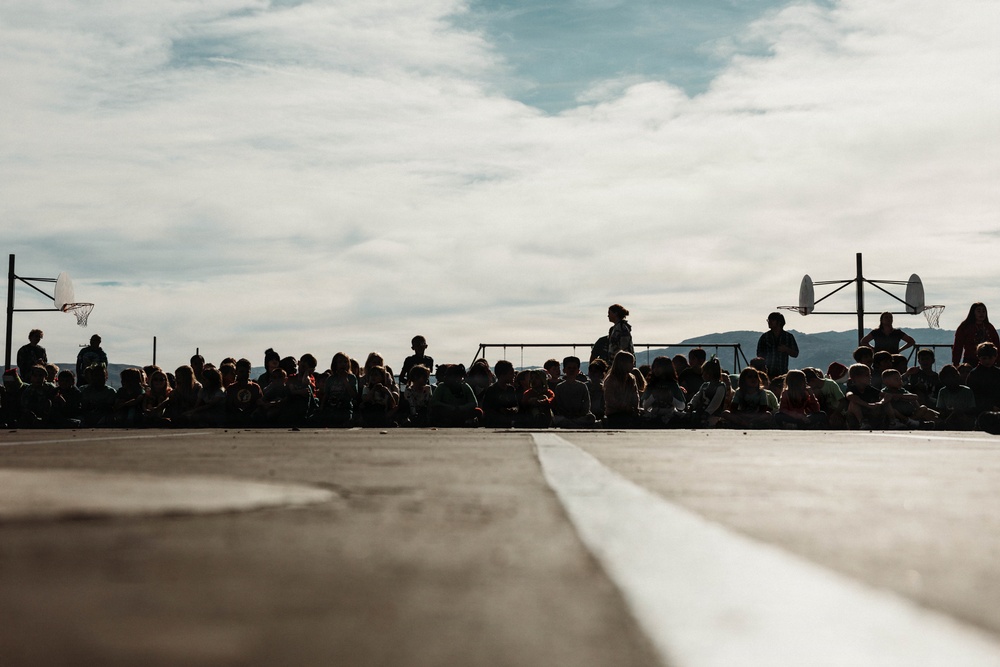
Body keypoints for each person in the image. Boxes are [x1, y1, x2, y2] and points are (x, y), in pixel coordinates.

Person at [640, 356, 687, 427]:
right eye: (654, 367)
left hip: (670, 416)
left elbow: (682, 406)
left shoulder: (673, 385)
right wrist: (654, 396)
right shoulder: (651, 384)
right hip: (654, 415)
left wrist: (671, 398)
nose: (656, 370)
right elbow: (644, 406)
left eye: (658, 367)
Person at [552, 356, 597, 428]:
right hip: (565, 416)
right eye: (569, 368)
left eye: (574, 368)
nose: (571, 370)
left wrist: (579, 414)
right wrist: (567, 414)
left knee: (591, 417)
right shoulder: (559, 387)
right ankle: (574, 424)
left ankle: (571, 423)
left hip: (580, 416)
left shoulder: (582, 386)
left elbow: (587, 404)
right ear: (564, 370)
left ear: (578, 371)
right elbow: (558, 405)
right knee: (556, 419)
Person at [756, 312, 798, 379]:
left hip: (782, 373)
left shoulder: (788, 337)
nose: (769, 322)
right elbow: (759, 354)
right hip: (768, 374)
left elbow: (795, 353)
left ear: (779, 322)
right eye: (768, 320)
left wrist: (786, 349)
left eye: (772, 320)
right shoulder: (765, 337)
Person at [935, 365, 977, 430]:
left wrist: (959, 411)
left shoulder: (967, 391)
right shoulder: (943, 391)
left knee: (957, 413)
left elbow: (971, 409)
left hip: (964, 418)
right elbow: (941, 409)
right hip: (948, 417)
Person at [481, 360, 519, 428]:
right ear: (502, 375)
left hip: (508, 422)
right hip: (494, 423)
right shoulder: (492, 390)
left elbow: (515, 405)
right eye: (511, 373)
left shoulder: (511, 389)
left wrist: (513, 409)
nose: (513, 375)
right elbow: (486, 408)